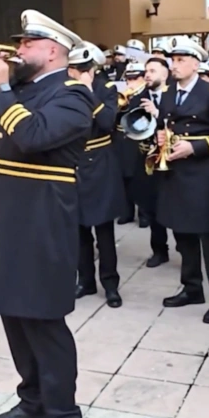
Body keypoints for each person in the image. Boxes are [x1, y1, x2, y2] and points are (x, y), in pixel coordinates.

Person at [0, 9, 93, 418]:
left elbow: (32, 137)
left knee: (43, 322)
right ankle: (33, 401)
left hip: (40, 226)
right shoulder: (19, 89)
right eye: (18, 43)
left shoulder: (73, 95)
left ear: (54, 51)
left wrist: (3, 86)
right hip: (4, 222)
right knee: (13, 316)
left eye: (27, 44)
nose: (18, 49)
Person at [151, 37, 209, 324]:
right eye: (173, 60)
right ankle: (192, 288)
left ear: (196, 63)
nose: (175, 65)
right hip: (176, 175)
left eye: (181, 60)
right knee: (183, 234)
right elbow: (166, 125)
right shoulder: (168, 94)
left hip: (205, 177)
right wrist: (159, 138)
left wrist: (195, 147)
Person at [68, 41, 125, 308]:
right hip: (74, 161)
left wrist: (89, 92)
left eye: (80, 69)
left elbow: (106, 124)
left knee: (104, 230)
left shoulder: (106, 89)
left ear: (92, 70)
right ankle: (86, 281)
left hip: (100, 162)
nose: (74, 73)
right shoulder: (66, 89)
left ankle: (110, 284)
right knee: (78, 229)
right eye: (73, 68)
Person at [125, 57, 172, 267]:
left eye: (152, 71)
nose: (147, 74)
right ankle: (159, 250)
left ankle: (184, 245)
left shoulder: (174, 95)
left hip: (173, 159)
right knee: (152, 207)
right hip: (148, 160)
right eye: (146, 71)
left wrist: (158, 113)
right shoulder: (138, 98)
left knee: (175, 206)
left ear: (165, 74)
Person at [116, 62, 146, 226]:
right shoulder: (124, 94)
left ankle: (143, 214)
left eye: (134, 78)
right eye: (128, 78)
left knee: (139, 178)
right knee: (124, 178)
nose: (130, 82)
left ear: (142, 78)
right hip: (122, 139)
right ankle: (126, 212)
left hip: (138, 140)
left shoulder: (145, 95)